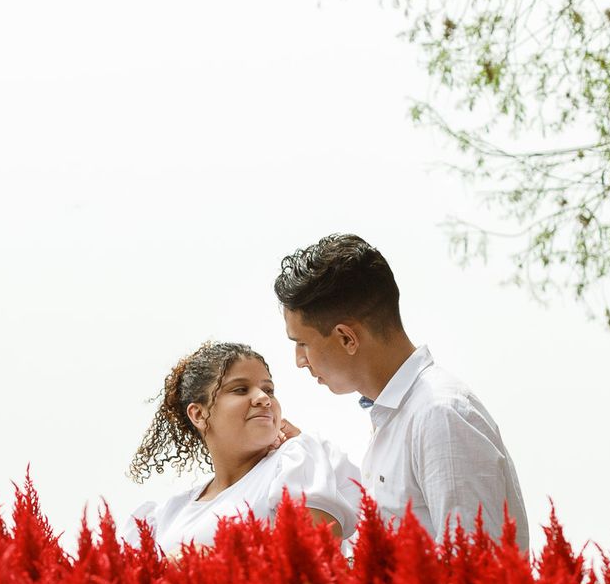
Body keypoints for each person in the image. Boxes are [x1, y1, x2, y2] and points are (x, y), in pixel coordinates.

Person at [275, 234, 529, 551]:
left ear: (346, 338)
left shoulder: (439, 414)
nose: (300, 361)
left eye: (302, 343)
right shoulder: (398, 417)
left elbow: (476, 567)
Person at [129, 341, 364, 551]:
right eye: (240, 389)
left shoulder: (294, 461)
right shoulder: (168, 514)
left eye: (269, 390)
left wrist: (200, 562)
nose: (263, 398)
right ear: (199, 414)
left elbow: (316, 560)